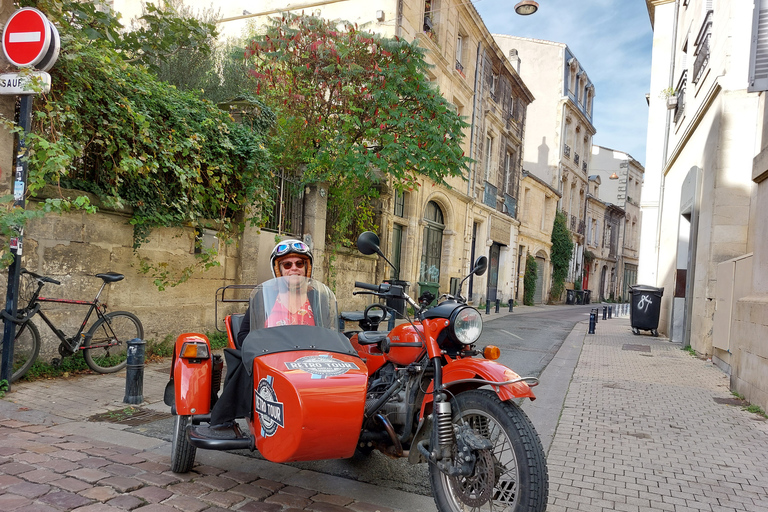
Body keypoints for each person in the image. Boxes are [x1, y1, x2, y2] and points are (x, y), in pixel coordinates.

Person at [207, 239, 315, 433]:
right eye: (287, 264)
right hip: (272, 358)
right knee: (244, 363)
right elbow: (243, 335)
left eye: (300, 263)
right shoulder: (263, 297)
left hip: (309, 360)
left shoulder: (317, 297)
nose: (294, 269)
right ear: (278, 269)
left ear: (307, 267)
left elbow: (329, 332)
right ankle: (227, 415)